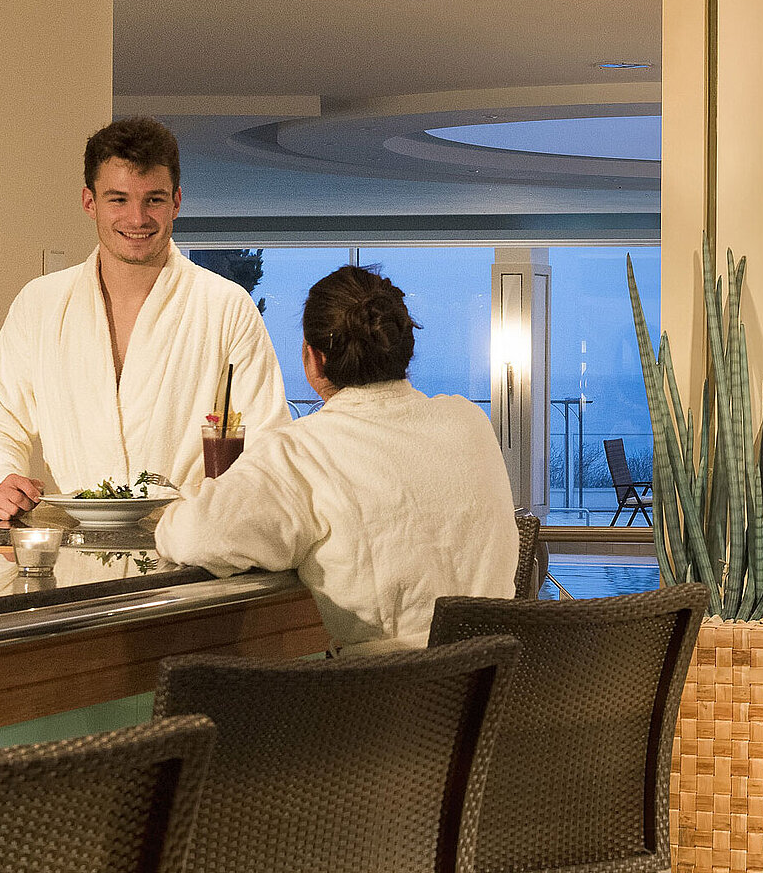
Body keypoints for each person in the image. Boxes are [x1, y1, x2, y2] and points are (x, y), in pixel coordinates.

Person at [155, 264, 518, 654]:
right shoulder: (469, 421)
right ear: (405, 349)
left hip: (387, 701)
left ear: (313, 359)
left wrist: (174, 507)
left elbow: (197, 535)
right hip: (502, 690)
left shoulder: (301, 451)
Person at [0, 116, 290, 520]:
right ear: (90, 202)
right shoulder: (41, 304)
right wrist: (0, 477)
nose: (137, 219)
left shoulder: (225, 306)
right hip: (76, 546)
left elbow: (265, 437)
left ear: (176, 202)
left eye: (153, 199)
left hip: (189, 543)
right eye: (118, 199)